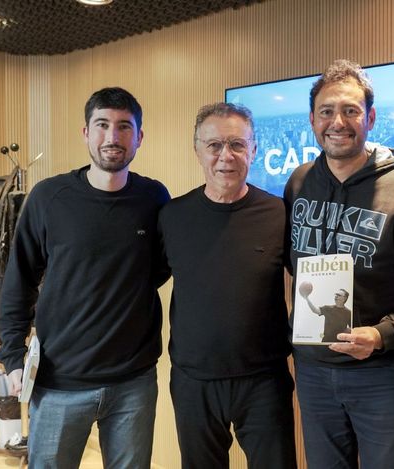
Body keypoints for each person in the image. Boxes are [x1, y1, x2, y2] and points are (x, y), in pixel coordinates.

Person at [0, 87, 170, 468]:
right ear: (86, 132)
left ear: (139, 136)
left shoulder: (155, 198)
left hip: (133, 383)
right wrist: (12, 356)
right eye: (102, 125)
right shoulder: (49, 197)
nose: (112, 136)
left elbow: (156, 271)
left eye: (124, 126)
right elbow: (18, 282)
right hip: (58, 383)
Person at [284, 59, 394, 469]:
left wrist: (380, 334)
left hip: (381, 374)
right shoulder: (299, 182)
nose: (338, 122)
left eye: (350, 110)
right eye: (327, 111)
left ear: (369, 118)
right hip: (313, 370)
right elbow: (293, 266)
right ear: (312, 120)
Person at [158, 103, 296, 469]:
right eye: (214, 145)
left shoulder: (279, 214)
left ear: (254, 150)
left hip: (264, 381)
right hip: (193, 381)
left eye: (237, 144)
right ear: (198, 151)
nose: (226, 156)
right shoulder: (172, 216)